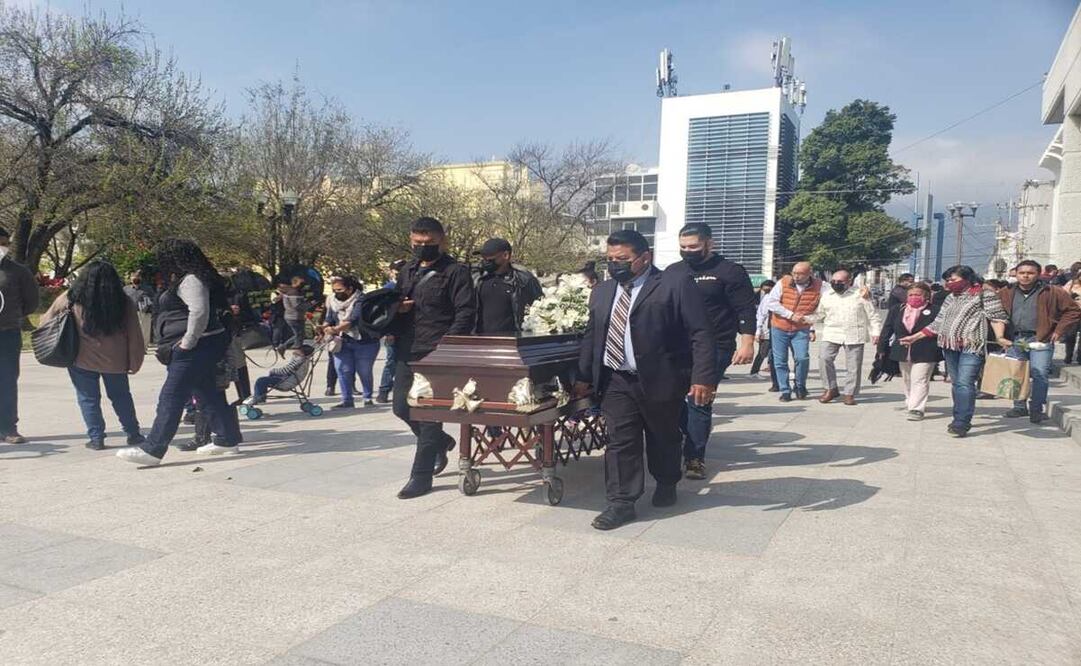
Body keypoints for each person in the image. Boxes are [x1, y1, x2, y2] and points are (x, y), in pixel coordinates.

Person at [575, 229, 716, 530]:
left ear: (644, 258)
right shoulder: (602, 291)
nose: (615, 265)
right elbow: (592, 336)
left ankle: (666, 480)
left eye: (622, 259)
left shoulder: (673, 283)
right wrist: (584, 376)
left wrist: (703, 377)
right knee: (619, 441)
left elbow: (700, 332)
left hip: (662, 377)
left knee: (662, 436)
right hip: (615, 379)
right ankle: (621, 502)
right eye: (610, 259)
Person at [117, 239, 243, 465]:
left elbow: (199, 311)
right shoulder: (193, 278)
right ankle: (227, 439)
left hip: (196, 346)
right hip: (203, 344)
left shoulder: (191, 280)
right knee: (208, 393)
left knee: (171, 395)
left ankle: (153, 449)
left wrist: (188, 341)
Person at [392, 217, 476, 499]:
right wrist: (397, 311)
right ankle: (441, 442)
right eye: (417, 243)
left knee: (427, 414)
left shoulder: (455, 272)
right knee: (401, 407)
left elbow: (465, 312)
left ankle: (421, 476)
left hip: (437, 350)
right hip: (406, 349)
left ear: (442, 240)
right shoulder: (407, 270)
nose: (423, 247)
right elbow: (395, 302)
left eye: (429, 243)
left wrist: (447, 347)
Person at [665, 223, 756, 479]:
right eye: (683, 247)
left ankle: (695, 457)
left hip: (715, 345)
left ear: (709, 244)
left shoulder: (730, 271)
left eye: (693, 246)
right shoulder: (674, 271)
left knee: (699, 399)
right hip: (678, 346)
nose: (688, 251)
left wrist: (747, 342)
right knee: (671, 398)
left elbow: (746, 309)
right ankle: (689, 437)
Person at [39, 262, 145, 450]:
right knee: (121, 397)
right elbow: (135, 334)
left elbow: (46, 320)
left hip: (81, 358)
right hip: (116, 360)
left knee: (88, 398)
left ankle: (96, 438)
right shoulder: (123, 301)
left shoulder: (71, 297)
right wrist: (135, 361)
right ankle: (133, 434)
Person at [899, 266, 1009, 437]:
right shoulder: (951, 297)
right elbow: (939, 322)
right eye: (948, 280)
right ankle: (958, 413)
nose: (950, 283)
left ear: (967, 279)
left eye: (953, 279)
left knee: (965, 383)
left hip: (971, 345)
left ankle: (961, 422)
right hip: (949, 346)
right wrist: (915, 337)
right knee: (957, 383)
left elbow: (996, 316)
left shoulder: (983, 294)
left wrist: (1000, 336)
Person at [996, 260, 1081, 423]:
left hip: (1041, 338)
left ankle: (1036, 409)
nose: (1025, 276)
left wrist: (1058, 331)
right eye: (1022, 273)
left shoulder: (1052, 291)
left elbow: (1073, 311)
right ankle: (1019, 407)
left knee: (1040, 373)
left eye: (1030, 273)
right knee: (1017, 373)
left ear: (1038, 273)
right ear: (1016, 273)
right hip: (1015, 338)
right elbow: (995, 313)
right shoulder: (1006, 292)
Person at [807, 269, 881, 405]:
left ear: (849, 282)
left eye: (840, 282)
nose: (836, 284)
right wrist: (805, 319)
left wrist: (876, 332)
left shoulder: (860, 294)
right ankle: (830, 388)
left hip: (854, 333)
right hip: (831, 332)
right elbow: (819, 314)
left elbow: (873, 315)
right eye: (833, 281)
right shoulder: (827, 295)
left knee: (853, 366)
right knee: (824, 359)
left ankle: (849, 393)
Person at [877, 282, 941, 420]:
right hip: (902, 349)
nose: (913, 297)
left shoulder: (935, 310)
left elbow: (937, 329)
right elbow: (887, 328)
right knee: (907, 379)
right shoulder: (897, 309)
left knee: (920, 378)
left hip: (925, 350)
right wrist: (881, 347)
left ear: (926, 296)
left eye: (917, 294)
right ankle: (910, 400)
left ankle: (917, 409)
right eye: (911, 295)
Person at [0, 226, 39, 444]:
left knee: (6, 380)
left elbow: (31, 302)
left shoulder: (18, 271)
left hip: (7, 333)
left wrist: (11, 315)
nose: (2, 248)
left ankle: (7, 427)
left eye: (5, 244)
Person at [763, 261, 820, 401]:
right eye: (794, 273)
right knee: (780, 360)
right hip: (779, 327)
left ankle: (800, 386)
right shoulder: (783, 282)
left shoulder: (820, 286)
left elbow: (827, 305)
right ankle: (785, 389)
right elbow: (772, 303)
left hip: (801, 329)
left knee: (802, 357)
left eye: (800, 274)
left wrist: (810, 321)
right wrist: (790, 315)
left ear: (809, 274)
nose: (796, 276)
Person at [322, 275, 381, 408]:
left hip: (365, 341)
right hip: (341, 341)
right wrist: (324, 327)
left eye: (339, 290)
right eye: (334, 290)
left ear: (349, 289)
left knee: (364, 370)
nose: (336, 293)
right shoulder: (331, 300)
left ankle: (367, 397)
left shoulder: (362, 299)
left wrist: (335, 329)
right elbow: (329, 317)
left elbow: (353, 319)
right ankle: (347, 399)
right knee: (343, 370)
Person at [473, 238, 543, 335]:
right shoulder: (477, 278)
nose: (486, 262)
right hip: (481, 341)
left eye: (490, 259)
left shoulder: (524, 279)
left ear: (505, 255)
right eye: (484, 258)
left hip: (511, 341)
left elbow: (540, 307)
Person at [243, 344, 315, 406]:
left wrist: (273, 371)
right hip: (289, 379)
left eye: (298, 349)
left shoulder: (298, 360)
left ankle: (258, 398)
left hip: (285, 382)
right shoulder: (302, 359)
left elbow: (285, 371)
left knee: (261, 381)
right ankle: (260, 397)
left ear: (301, 353)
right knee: (265, 380)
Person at [377, 260, 406, 403]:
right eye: (397, 270)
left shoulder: (409, 285)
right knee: (391, 362)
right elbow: (384, 314)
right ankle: (383, 390)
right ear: (392, 271)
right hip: (393, 332)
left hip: (408, 331)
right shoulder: (389, 288)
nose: (400, 272)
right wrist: (388, 333)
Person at [750, 280, 780, 392]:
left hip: (778, 331)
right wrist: (758, 332)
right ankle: (754, 371)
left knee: (775, 355)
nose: (767, 291)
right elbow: (761, 315)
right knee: (762, 353)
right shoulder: (766, 299)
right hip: (766, 332)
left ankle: (778, 374)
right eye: (765, 289)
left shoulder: (780, 297)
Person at [124, 271, 155, 346]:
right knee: (131, 330)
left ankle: (143, 347)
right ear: (130, 279)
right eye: (133, 277)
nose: (135, 278)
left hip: (144, 312)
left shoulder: (147, 288)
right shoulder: (125, 289)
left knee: (144, 331)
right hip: (130, 312)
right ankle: (133, 346)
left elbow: (153, 299)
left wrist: (148, 304)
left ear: (140, 278)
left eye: (137, 276)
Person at [1061, 274, 1081, 364]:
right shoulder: (1071, 284)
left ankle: (1080, 357)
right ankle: (1068, 355)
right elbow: (1062, 295)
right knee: (1070, 335)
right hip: (1073, 313)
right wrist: (1071, 297)